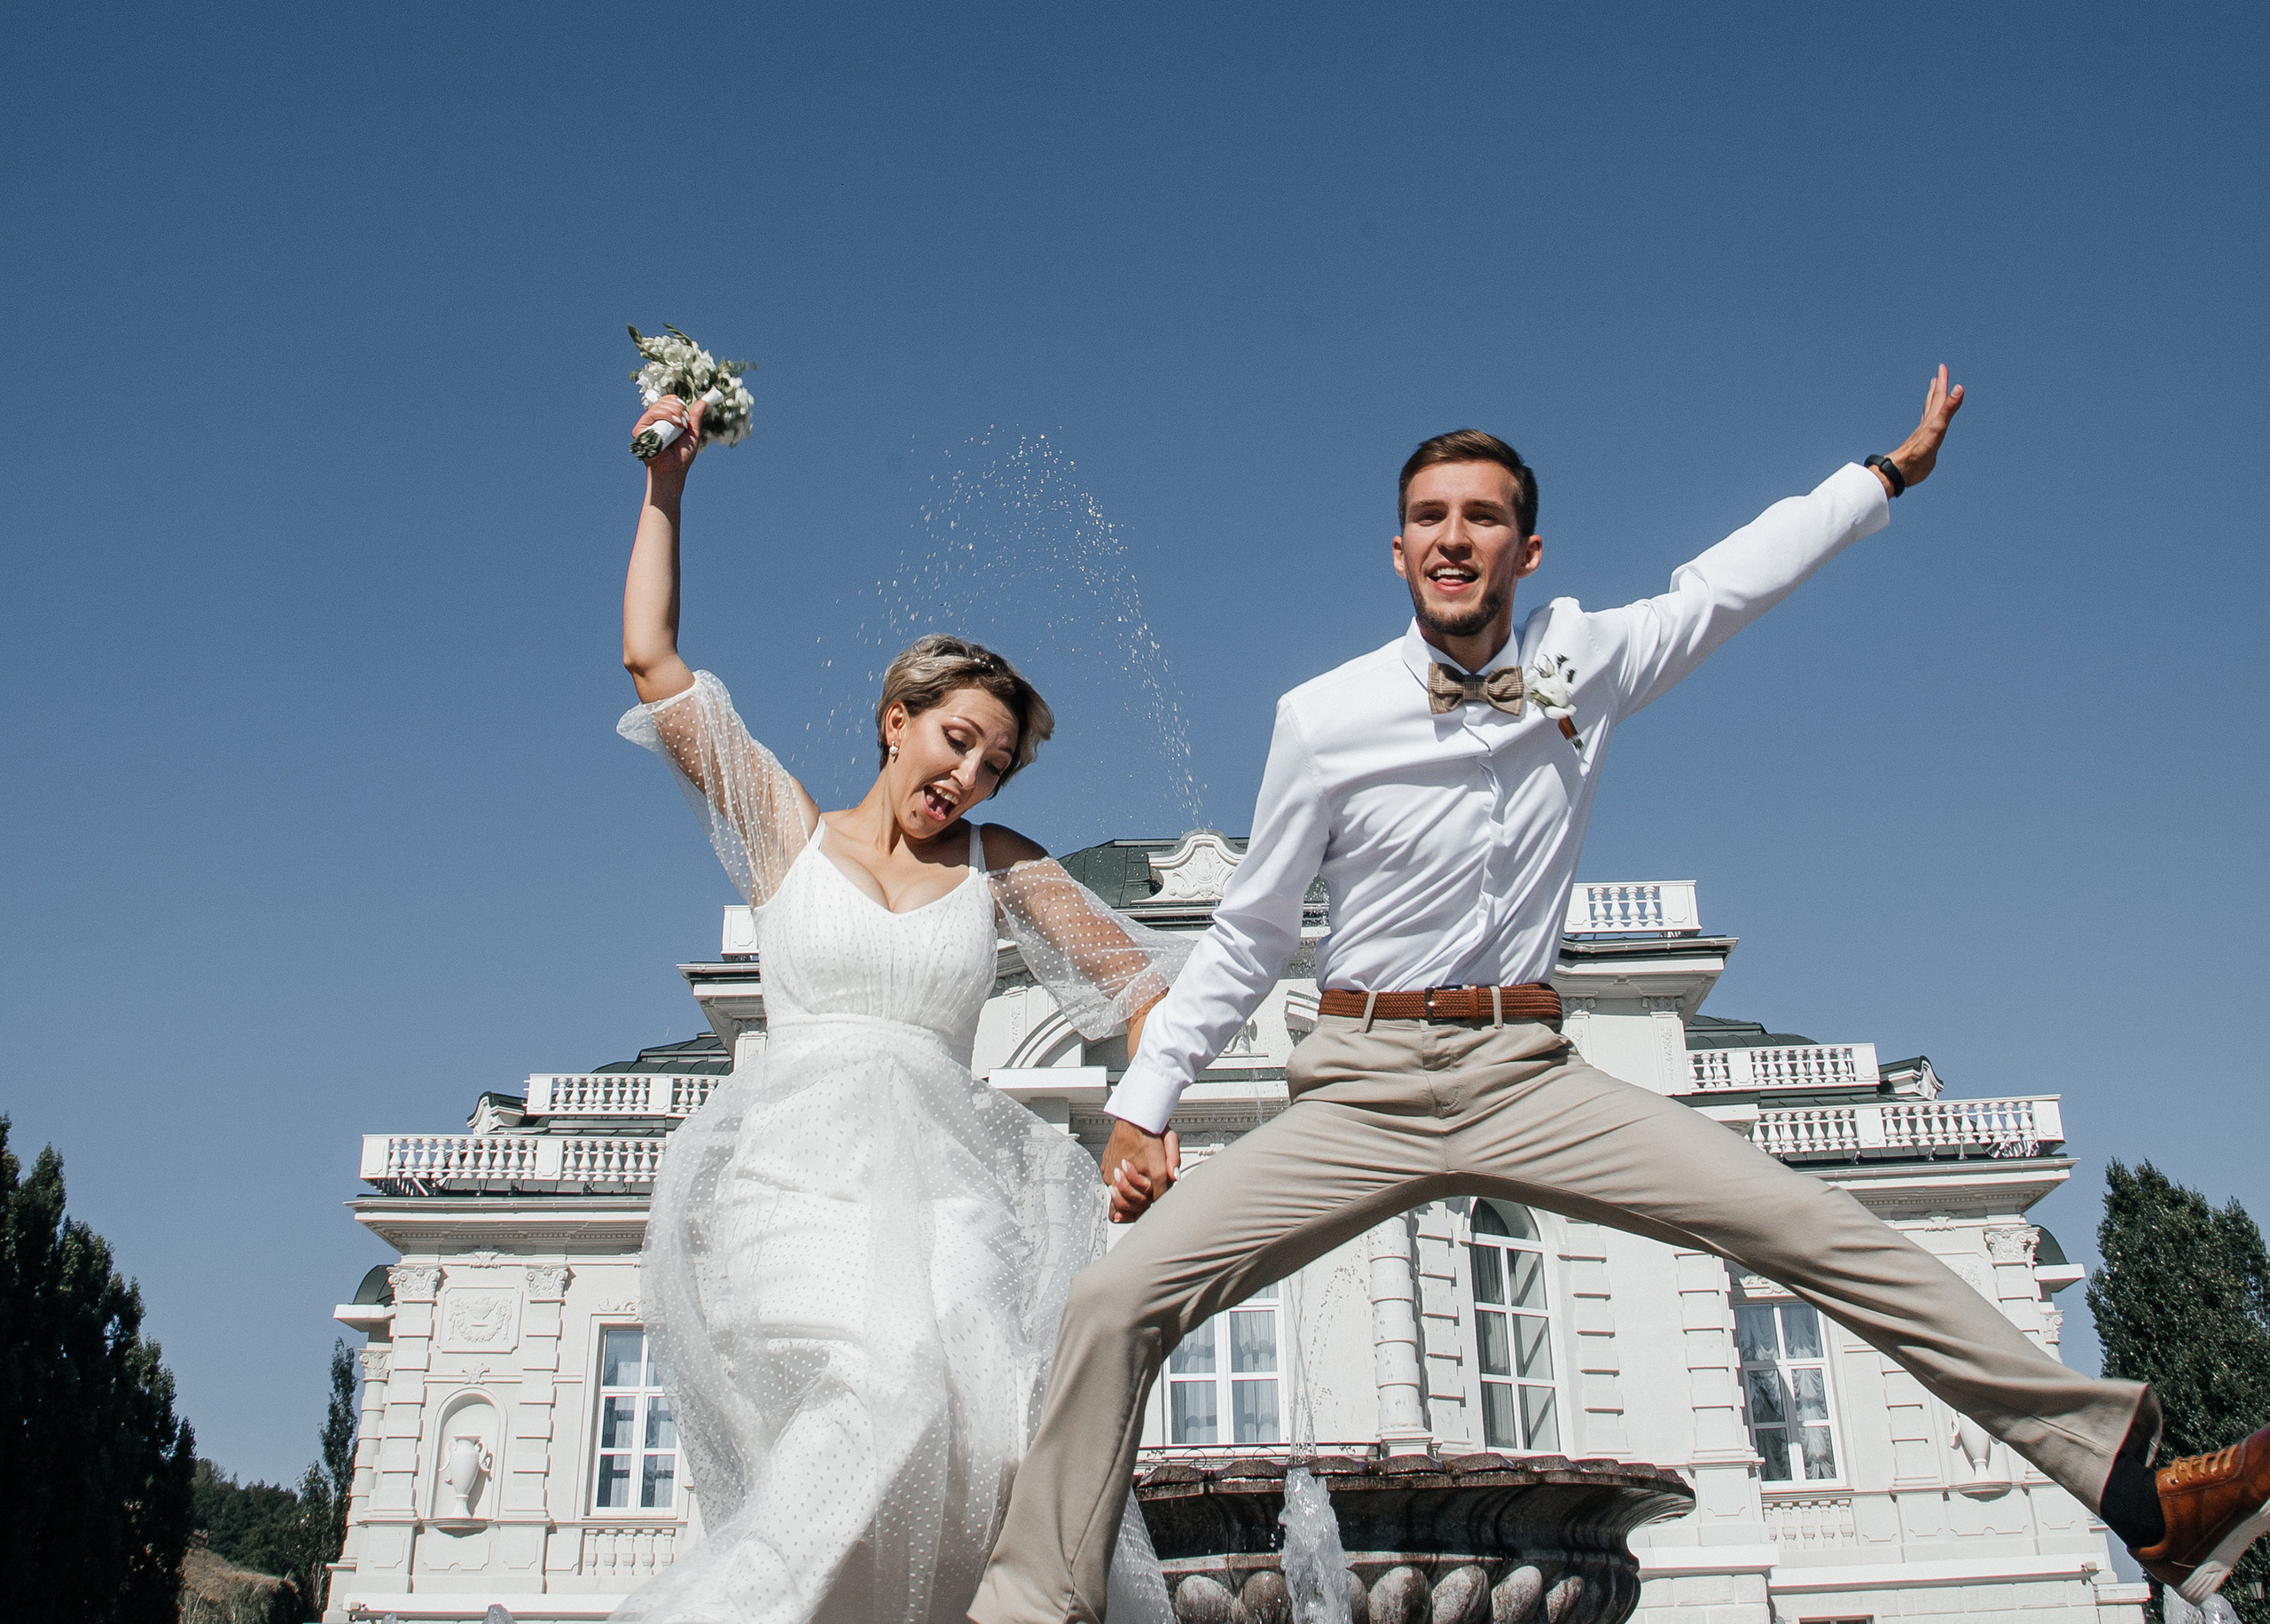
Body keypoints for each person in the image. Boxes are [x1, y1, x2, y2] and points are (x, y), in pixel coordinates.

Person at [972, 369, 2270, 1624]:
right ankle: (1026, 1612)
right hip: (1362, 1084)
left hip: (1527, 1077)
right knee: (1113, 1303)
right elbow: (1253, 933)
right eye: (1430, 517)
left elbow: (1729, 585)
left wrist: (1881, 477)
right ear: (1398, 550)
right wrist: (1147, 1101)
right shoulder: (1323, 717)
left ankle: (2138, 1492)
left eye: (1484, 517)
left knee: (1816, 1227)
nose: (1455, 537)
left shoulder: (1583, 660)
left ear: (1527, 551)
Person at [614, 392, 1182, 1624]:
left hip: (946, 1205)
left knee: (995, 1440)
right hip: (798, 1190)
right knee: (884, 1394)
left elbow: (1144, 987)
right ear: (895, 722)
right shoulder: (783, 832)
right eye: (957, 742)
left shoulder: (998, 865)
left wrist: (1146, 1115)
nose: (969, 776)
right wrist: (668, 482)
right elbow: (653, 662)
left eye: (995, 765)